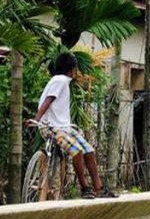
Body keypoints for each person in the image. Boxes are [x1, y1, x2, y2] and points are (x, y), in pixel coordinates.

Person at [28, 52, 116, 199]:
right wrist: (36, 119)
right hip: (51, 127)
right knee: (77, 151)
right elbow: (48, 101)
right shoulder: (60, 80)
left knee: (89, 151)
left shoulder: (61, 81)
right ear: (71, 69)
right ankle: (85, 188)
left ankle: (99, 188)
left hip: (64, 128)